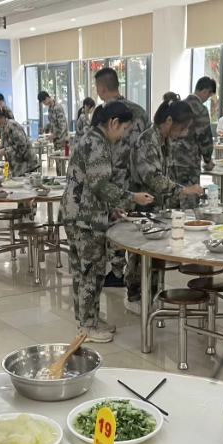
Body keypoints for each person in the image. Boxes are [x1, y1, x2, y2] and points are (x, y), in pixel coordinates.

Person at [61, 101, 154, 342]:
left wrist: (111, 209)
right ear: (113, 123)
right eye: (122, 128)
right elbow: (101, 185)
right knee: (90, 272)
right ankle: (87, 326)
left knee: (86, 270)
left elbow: (91, 184)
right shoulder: (97, 144)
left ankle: (89, 318)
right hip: (85, 219)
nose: (122, 134)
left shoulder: (91, 139)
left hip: (80, 214)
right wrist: (132, 198)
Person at [125, 98, 204, 307]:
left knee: (153, 256)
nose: (183, 133)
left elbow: (166, 174)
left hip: (157, 207)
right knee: (140, 256)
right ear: (168, 120)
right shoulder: (147, 141)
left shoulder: (164, 140)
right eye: (182, 127)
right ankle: (135, 296)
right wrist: (183, 190)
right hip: (142, 206)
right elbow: (153, 178)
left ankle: (149, 297)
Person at [94, 67, 151, 296]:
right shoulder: (140, 112)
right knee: (136, 226)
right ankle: (135, 275)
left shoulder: (104, 113)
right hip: (139, 179)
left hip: (114, 180)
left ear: (101, 88)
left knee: (115, 226)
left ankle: (117, 272)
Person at [170, 77, 216, 210]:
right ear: (206, 91)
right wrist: (208, 160)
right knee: (190, 202)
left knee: (174, 197)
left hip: (171, 160)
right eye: (209, 95)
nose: (207, 99)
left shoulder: (179, 105)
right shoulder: (200, 109)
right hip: (189, 162)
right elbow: (204, 138)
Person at [0, 107, 38, 176]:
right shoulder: (3, 127)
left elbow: (21, 146)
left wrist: (5, 150)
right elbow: (5, 145)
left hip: (26, 164)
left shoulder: (12, 125)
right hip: (16, 165)